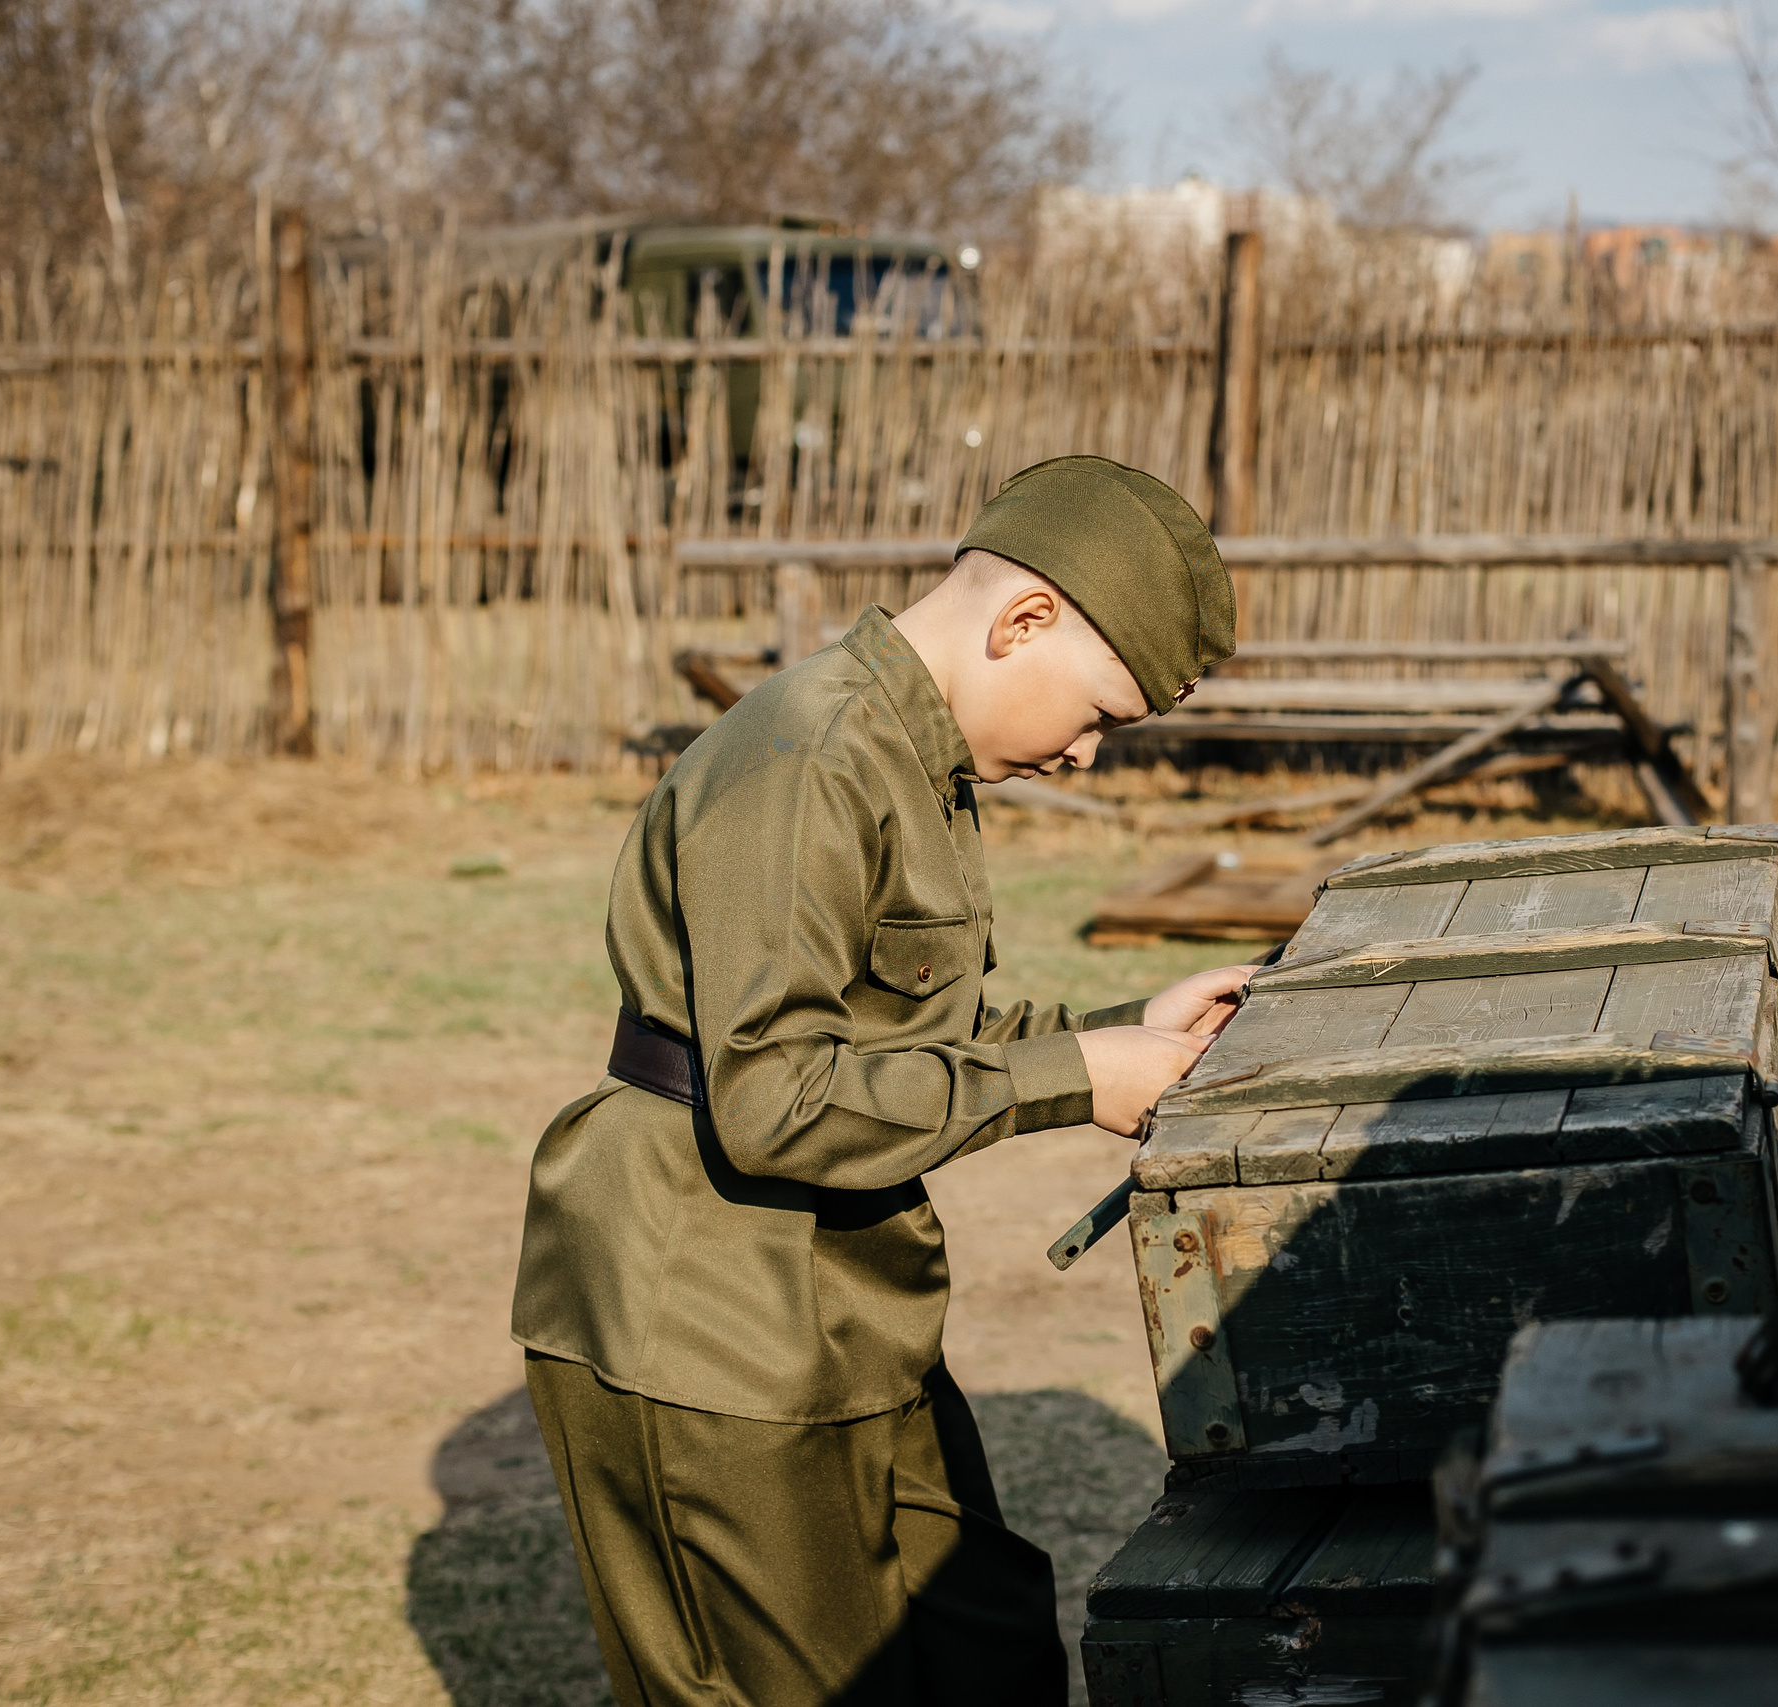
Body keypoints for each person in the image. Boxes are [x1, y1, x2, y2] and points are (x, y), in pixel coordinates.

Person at [511, 455, 1252, 1707]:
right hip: (705, 1316)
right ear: (1024, 622)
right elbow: (777, 1100)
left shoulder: (910, 760)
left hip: (844, 1304)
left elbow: (908, 1027)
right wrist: (1076, 1074)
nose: (1084, 759)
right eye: (1099, 718)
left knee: (982, 1651)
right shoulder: (811, 759)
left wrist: (1131, 1029)